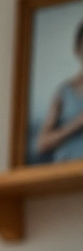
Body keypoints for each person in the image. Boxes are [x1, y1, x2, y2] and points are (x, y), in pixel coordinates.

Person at [34, 20, 83, 163]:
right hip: (66, 174)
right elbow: (41, 144)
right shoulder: (64, 92)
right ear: (77, 50)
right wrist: (76, 124)